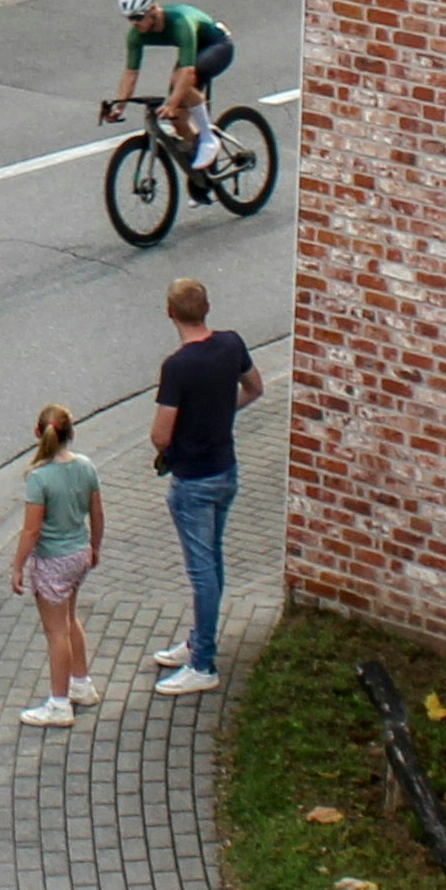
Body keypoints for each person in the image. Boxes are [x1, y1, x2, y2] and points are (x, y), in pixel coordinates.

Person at [147, 279, 260, 700]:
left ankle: (203, 663)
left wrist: (176, 443)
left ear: (170, 313)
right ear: (207, 307)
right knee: (212, 561)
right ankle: (199, 639)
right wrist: (219, 415)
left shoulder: (177, 367)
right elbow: (255, 388)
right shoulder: (231, 344)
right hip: (226, 470)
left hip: (193, 481)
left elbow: (161, 435)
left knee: (202, 571)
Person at [11, 404, 101, 726]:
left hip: (52, 561)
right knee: (71, 618)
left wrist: (17, 565)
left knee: (56, 632)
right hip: (79, 554)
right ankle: (82, 683)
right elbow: (97, 513)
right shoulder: (86, 467)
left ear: (38, 434)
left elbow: (32, 529)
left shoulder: (39, 478)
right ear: (71, 433)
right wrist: (94, 547)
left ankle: (59, 704)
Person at [109, 0, 234, 172]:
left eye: (138, 17)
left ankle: (209, 138)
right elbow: (131, 74)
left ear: (153, 9)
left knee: (179, 86)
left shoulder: (180, 22)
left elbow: (187, 71)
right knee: (177, 119)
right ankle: (202, 174)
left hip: (217, 46)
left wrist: (172, 103)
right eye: (130, 19)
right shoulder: (136, 34)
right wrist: (119, 106)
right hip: (192, 53)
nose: (135, 23)